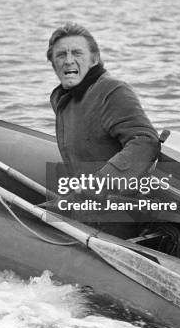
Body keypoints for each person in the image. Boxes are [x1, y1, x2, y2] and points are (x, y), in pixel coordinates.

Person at [46, 22, 159, 204]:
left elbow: (146, 141)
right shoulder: (64, 99)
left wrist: (100, 184)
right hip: (87, 202)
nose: (68, 60)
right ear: (53, 63)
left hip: (122, 207)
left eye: (77, 53)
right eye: (60, 55)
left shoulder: (112, 91)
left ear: (95, 59)